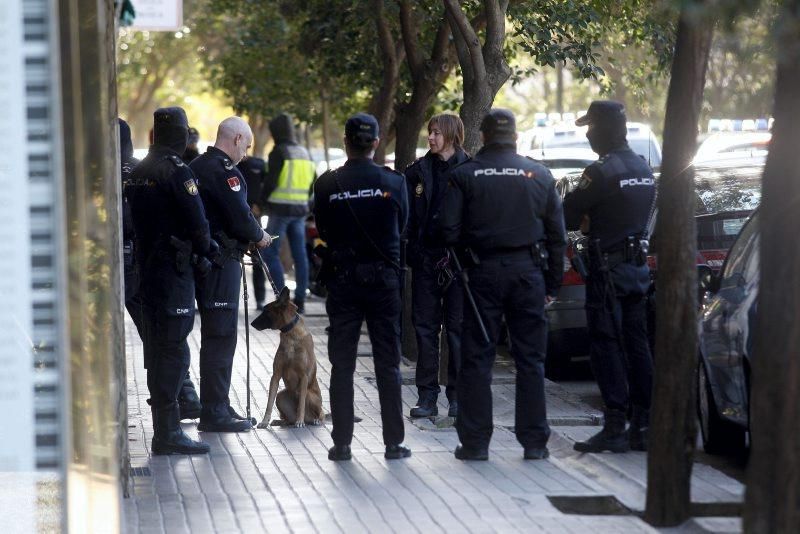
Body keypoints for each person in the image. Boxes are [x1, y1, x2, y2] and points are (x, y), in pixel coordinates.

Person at [440, 108, 567, 461]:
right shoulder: (539, 175)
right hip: (529, 275)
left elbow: (447, 232)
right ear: (515, 136)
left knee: (478, 360)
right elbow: (558, 237)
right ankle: (535, 443)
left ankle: (476, 443)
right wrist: (552, 285)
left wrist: (466, 264)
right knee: (531, 360)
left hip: (481, 277)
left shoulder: (465, 175)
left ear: (482, 136)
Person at [313, 112, 410, 462]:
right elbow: (402, 227)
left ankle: (341, 444)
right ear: (375, 142)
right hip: (384, 281)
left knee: (342, 364)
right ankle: (393, 443)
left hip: (343, 280)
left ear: (346, 142)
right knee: (388, 363)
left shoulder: (327, 184)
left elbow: (323, 228)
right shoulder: (394, 182)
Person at [563, 100, 655, 453]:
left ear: (603, 127)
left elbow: (569, 216)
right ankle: (643, 424)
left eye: (590, 126)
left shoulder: (600, 172)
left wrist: (588, 219)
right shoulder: (643, 168)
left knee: (605, 345)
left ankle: (615, 423)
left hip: (607, 271)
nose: (587, 134)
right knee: (637, 345)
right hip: (636, 270)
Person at [126, 106, 212, 455]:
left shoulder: (138, 170)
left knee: (157, 351)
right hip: (174, 273)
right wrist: (206, 250)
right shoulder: (177, 171)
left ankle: (165, 429)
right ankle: (168, 431)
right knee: (174, 352)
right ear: (181, 134)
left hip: (146, 272)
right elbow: (199, 223)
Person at [189, 117, 272, 433]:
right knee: (221, 336)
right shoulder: (225, 172)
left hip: (202, 262)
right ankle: (214, 411)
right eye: (246, 145)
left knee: (215, 336)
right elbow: (240, 217)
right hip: (221, 262)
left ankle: (217, 404)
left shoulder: (197, 165)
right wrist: (260, 235)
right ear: (237, 138)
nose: (246, 153)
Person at [405, 114, 469, 419]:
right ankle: (427, 397)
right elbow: (406, 218)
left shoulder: (470, 170)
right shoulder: (417, 172)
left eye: (436, 133)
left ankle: (457, 396)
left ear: (453, 135)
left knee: (456, 330)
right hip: (426, 261)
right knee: (425, 330)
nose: (430, 138)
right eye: (429, 132)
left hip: (457, 264)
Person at [259, 113, 316, 314]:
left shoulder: (279, 152)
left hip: (280, 211)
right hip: (300, 211)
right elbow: (312, 185)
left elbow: (270, 182)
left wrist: (260, 202)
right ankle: (300, 299)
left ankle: (282, 301)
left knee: (269, 252)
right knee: (300, 255)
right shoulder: (304, 152)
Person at [119, 118, 144, 338]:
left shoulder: (91, 169)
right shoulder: (140, 169)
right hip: (138, 254)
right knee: (148, 326)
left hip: (103, 255)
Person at [237, 153, 269, 308]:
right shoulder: (227, 164)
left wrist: (260, 206)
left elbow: (267, 185)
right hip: (234, 217)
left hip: (253, 217)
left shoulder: (258, 164)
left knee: (257, 260)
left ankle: (260, 300)